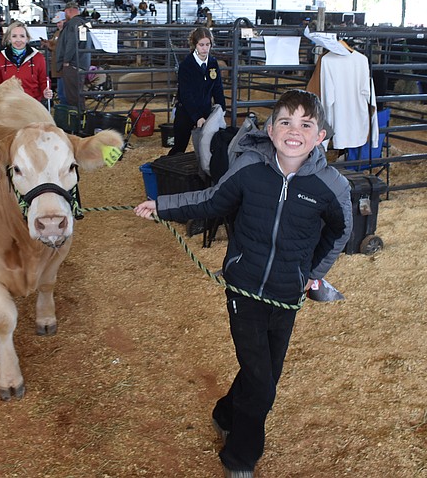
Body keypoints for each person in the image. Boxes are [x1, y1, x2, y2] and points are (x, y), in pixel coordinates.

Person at [134, 90, 353, 478]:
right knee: (262, 383)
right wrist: (162, 206)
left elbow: (341, 230)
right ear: (270, 130)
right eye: (285, 121)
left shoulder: (330, 185)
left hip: (287, 294)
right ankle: (240, 457)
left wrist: (312, 272)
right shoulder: (250, 167)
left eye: (306, 125)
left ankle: (223, 412)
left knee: (266, 370)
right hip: (245, 288)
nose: (294, 131)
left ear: (321, 136)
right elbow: (211, 201)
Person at [169, 27, 225, 156]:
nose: (205, 48)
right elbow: (186, 94)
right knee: (179, 147)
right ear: (194, 45)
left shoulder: (213, 63)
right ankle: (167, 172)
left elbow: (217, 87)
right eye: (201, 45)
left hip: (206, 111)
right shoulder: (186, 65)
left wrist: (221, 109)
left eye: (207, 45)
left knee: (207, 148)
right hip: (186, 112)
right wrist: (197, 117)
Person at [0, 20, 53, 103]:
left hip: (32, 103)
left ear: (27, 38)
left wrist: (45, 91)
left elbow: (44, 80)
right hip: (7, 105)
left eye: (22, 36)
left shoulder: (38, 57)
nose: (18, 40)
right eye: (14, 36)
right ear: (9, 38)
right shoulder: (1, 58)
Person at [55, 1, 91, 110]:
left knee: (73, 96)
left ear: (68, 11)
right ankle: (81, 119)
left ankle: (77, 120)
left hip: (73, 64)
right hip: (82, 62)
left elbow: (71, 43)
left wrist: (66, 60)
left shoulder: (72, 24)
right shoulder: (83, 23)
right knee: (77, 93)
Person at [41, 11, 66, 102]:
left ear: (65, 21)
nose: (58, 25)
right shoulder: (58, 33)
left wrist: (49, 45)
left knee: (63, 92)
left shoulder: (64, 33)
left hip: (62, 66)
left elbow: (60, 48)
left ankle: (65, 111)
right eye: (57, 23)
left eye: (59, 22)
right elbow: (53, 43)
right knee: (61, 92)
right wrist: (47, 43)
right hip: (58, 66)